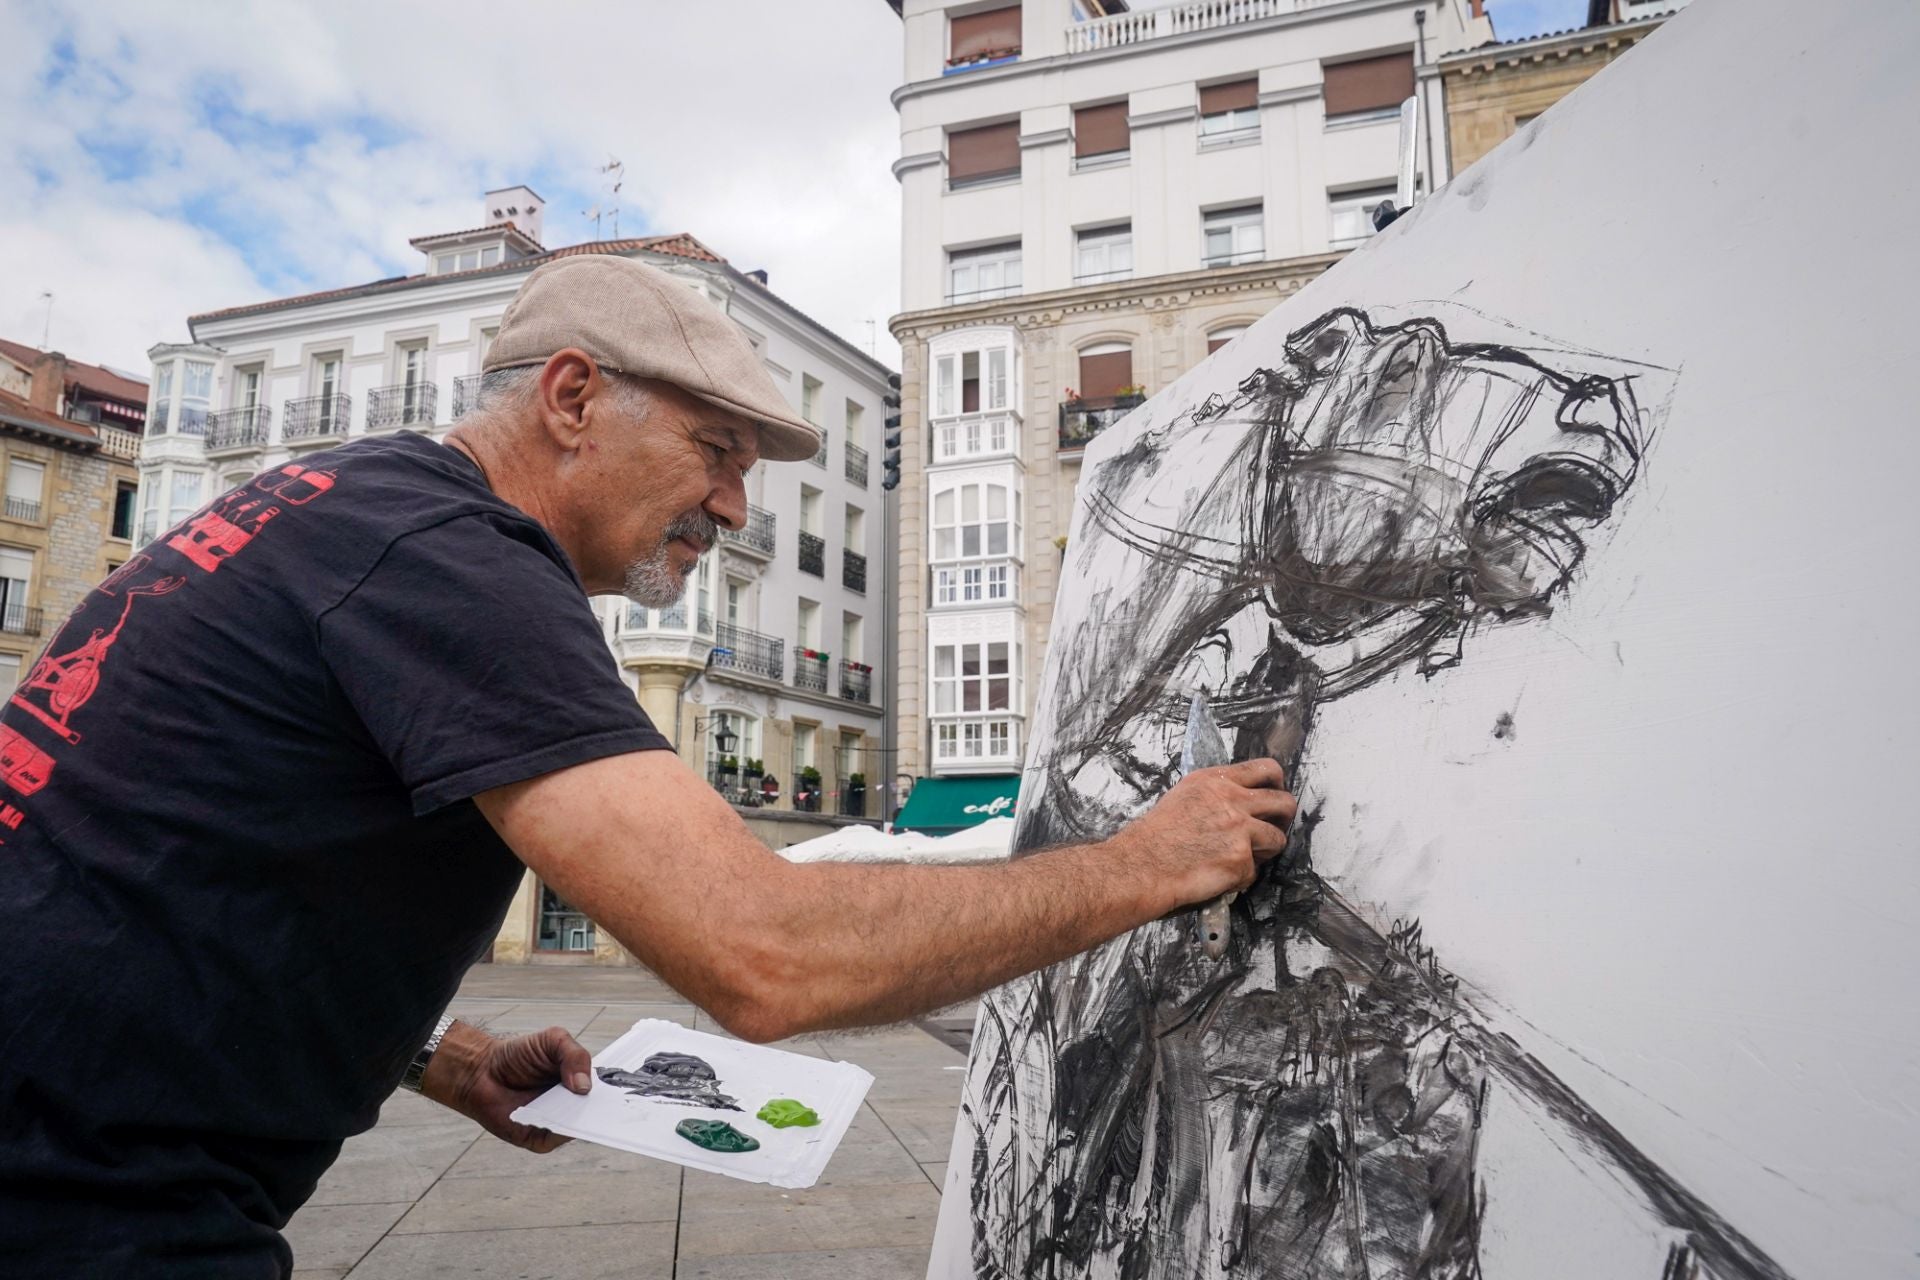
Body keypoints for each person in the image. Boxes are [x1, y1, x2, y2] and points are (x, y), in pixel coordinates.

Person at [0, 254, 1295, 1277]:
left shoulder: (341, 510)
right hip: (73, 1206)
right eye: (716, 453)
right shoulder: (452, 562)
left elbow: (168, 865)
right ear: (570, 400)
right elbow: (765, 952)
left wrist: (436, 1057)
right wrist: (1146, 862)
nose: (737, 509)